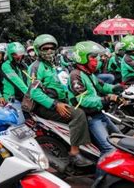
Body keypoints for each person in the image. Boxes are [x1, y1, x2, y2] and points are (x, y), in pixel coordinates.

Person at [29, 34, 93, 167]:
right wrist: (55, 104)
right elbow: (34, 92)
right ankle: (75, 153)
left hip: (61, 101)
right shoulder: (36, 67)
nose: (49, 51)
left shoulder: (54, 65)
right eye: (45, 48)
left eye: (51, 48)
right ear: (37, 50)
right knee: (78, 114)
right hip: (46, 106)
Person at [68, 41, 123, 154]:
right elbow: (83, 100)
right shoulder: (75, 75)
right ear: (82, 58)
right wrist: (107, 99)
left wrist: (117, 88)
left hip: (99, 113)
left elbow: (102, 86)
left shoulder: (88, 73)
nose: (96, 60)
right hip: (90, 117)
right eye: (93, 57)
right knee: (110, 150)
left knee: (122, 140)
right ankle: (100, 172)